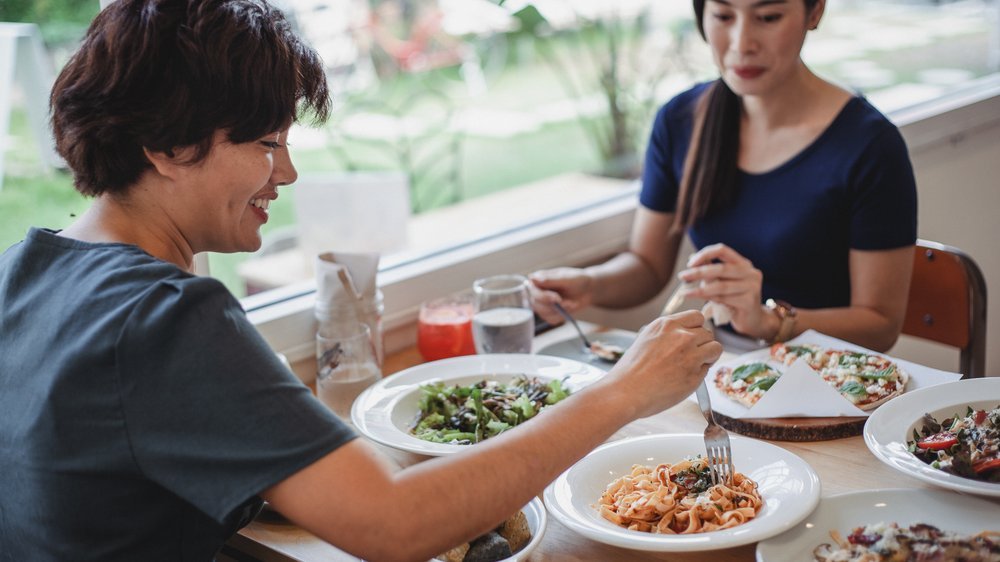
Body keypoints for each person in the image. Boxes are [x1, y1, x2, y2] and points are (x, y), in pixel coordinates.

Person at [0, 1, 722, 560]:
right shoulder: (165, 318)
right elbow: (396, 525)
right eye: (266, 143)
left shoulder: (24, 270)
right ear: (164, 144)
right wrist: (624, 390)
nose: (285, 172)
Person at [531, 0, 917, 353]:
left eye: (768, 17)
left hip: (830, 381)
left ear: (814, 12)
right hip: (720, 371)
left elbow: (880, 325)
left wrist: (769, 321)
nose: (741, 43)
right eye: (723, 16)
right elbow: (647, 266)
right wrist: (588, 284)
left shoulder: (869, 145)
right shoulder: (681, 121)